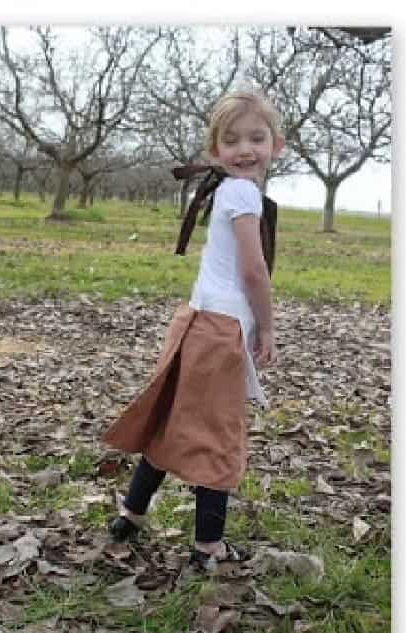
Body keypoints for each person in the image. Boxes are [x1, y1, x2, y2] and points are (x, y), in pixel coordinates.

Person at [101, 90, 284, 570]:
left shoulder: (226, 190)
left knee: (169, 423)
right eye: (232, 140)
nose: (246, 149)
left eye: (256, 138)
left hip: (194, 322)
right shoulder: (242, 192)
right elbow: (253, 271)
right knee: (218, 435)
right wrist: (267, 327)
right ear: (215, 150)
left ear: (276, 145)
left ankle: (131, 516)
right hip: (219, 332)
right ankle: (208, 548)